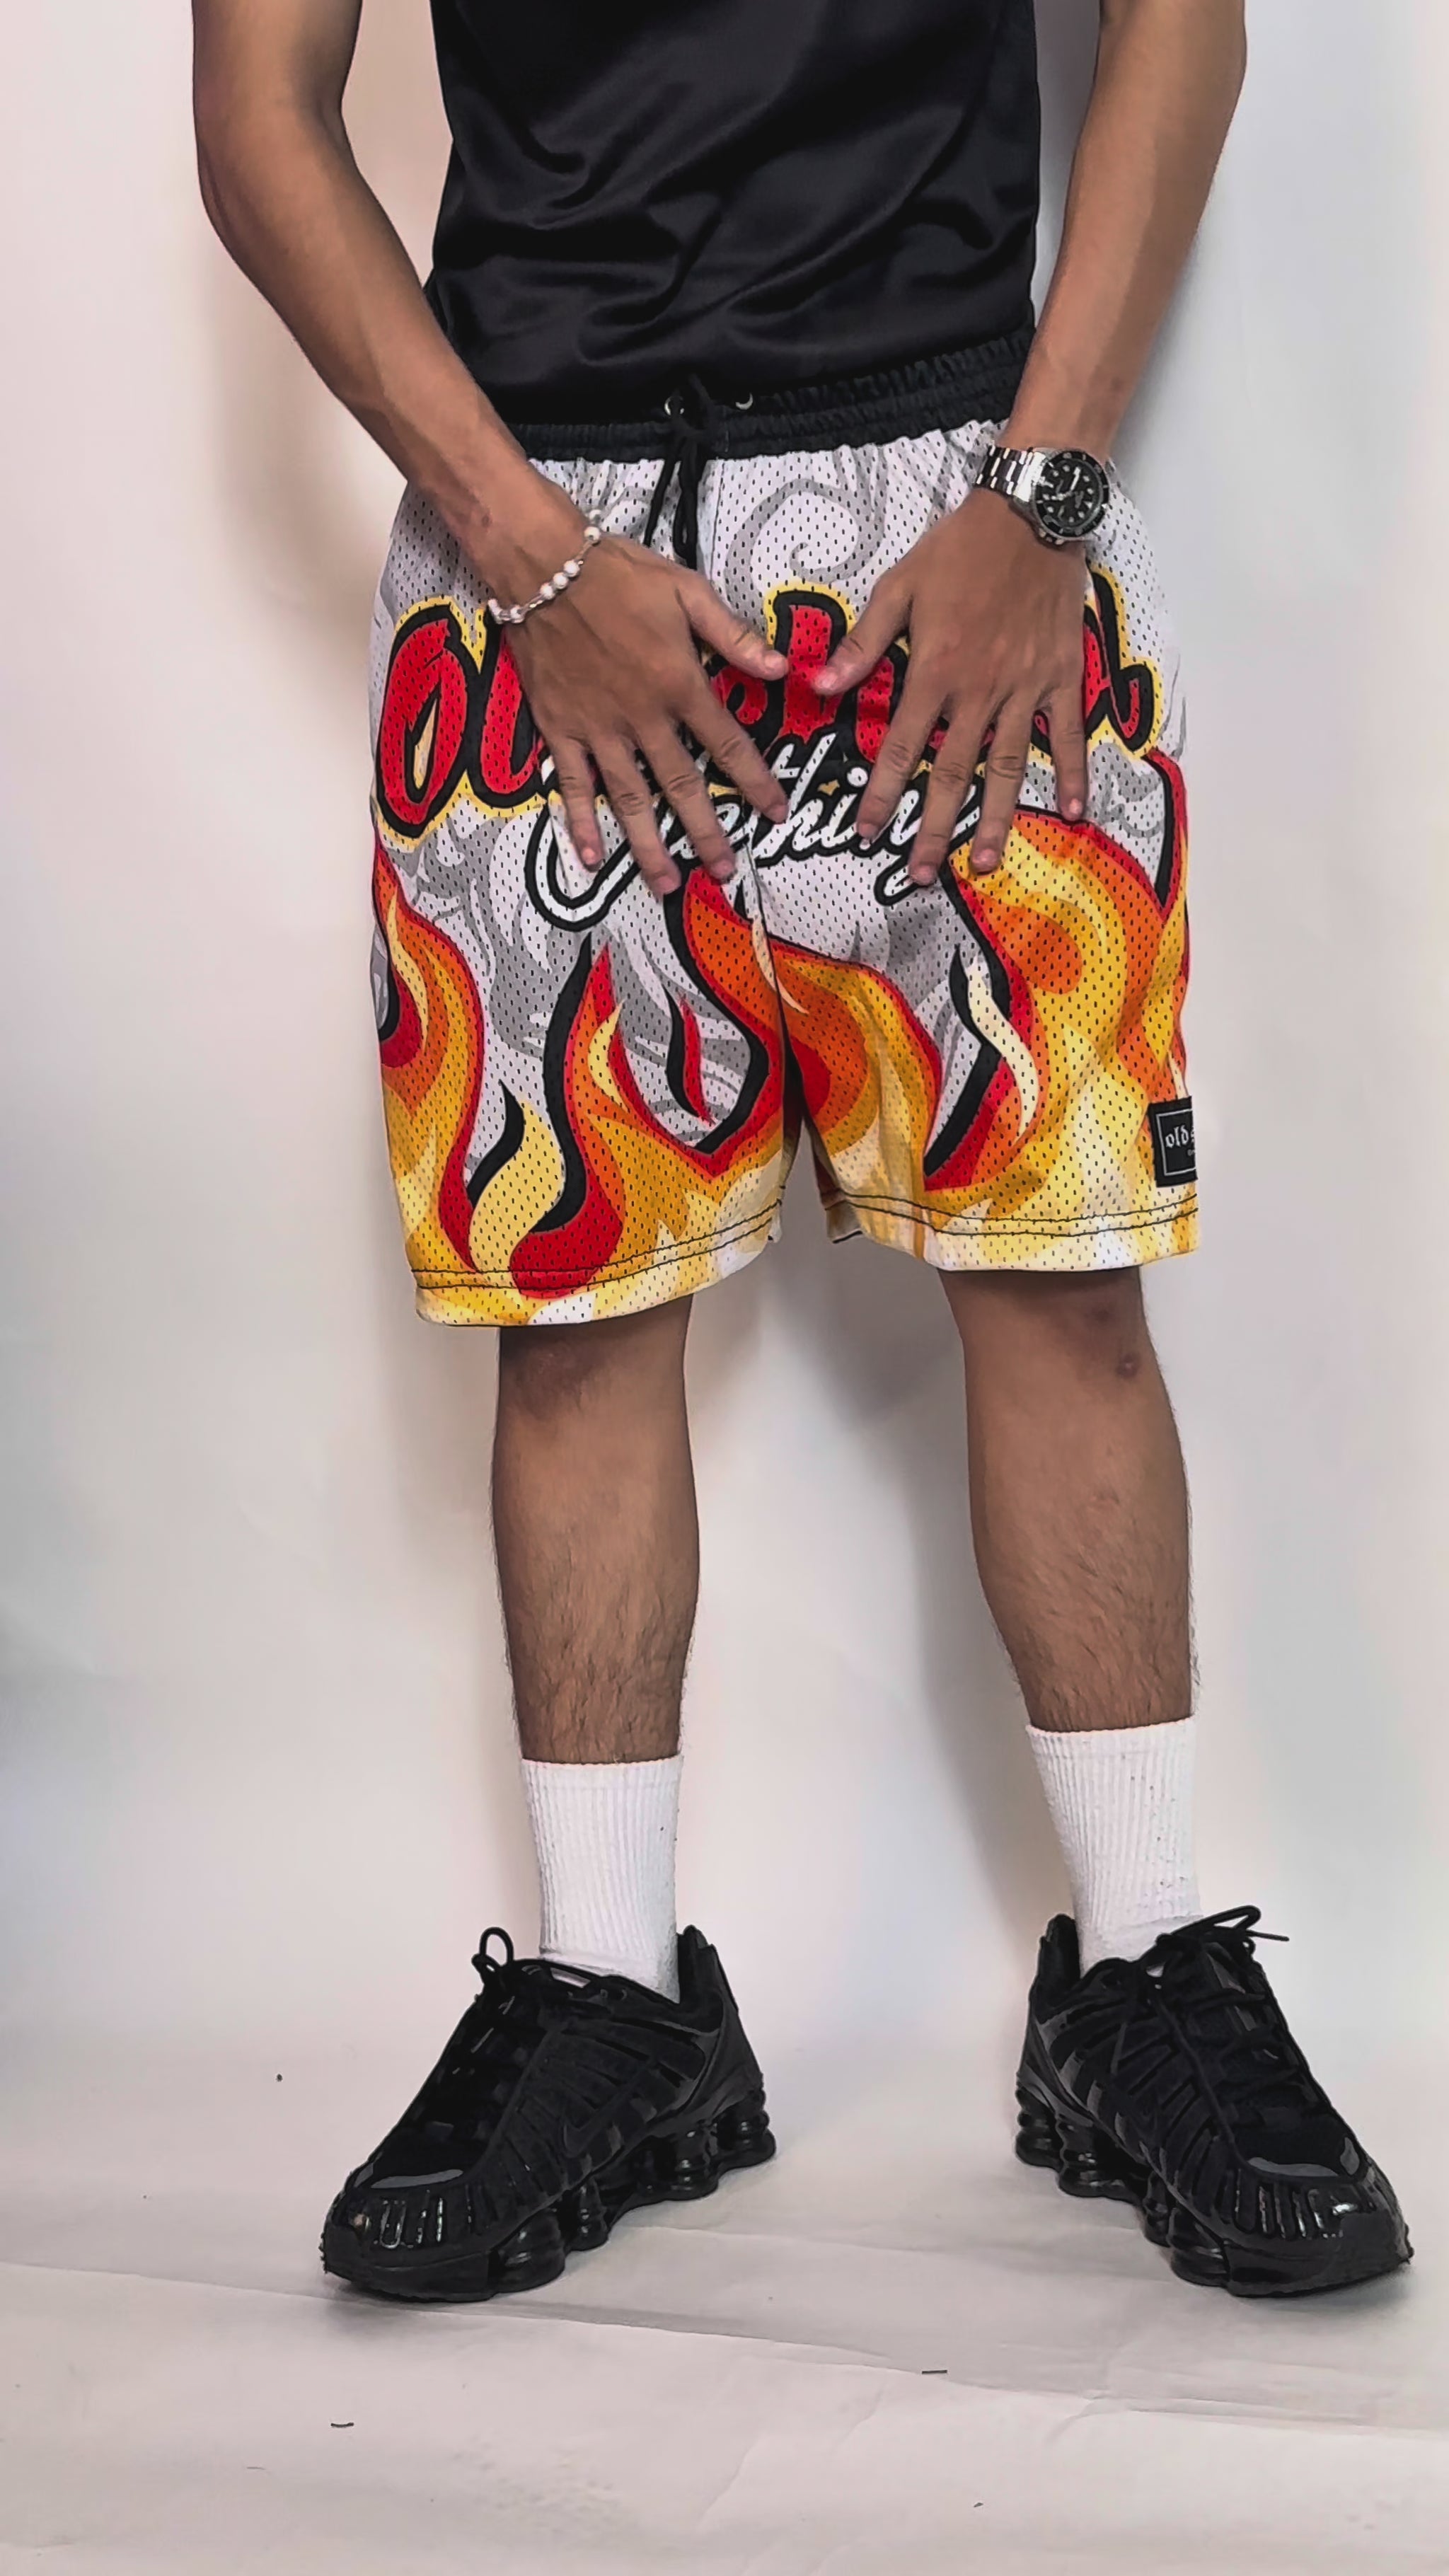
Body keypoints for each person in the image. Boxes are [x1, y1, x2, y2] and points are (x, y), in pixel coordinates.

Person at [192, 0, 1409, 2304]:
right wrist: (526, 554)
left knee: (1057, 1265)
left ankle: (1141, 1967)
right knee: (571, 1300)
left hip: (955, 513)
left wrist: (1043, 498)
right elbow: (259, 116)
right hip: (537, 550)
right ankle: (614, 1998)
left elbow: (1180, 18)